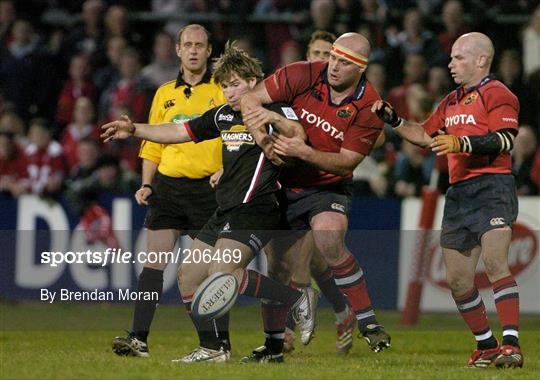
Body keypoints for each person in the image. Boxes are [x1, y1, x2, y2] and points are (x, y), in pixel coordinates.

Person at [102, 42, 315, 364]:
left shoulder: (278, 109)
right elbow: (178, 131)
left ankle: (297, 298)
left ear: (254, 82)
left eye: (236, 84)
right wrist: (134, 130)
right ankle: (212, 349)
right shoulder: (223, 115)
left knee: (222, 271)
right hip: (227, 208)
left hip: (258, 206)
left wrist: (268, 116)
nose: (230, 92)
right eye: (226, 85)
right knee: (188, 275)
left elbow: (299, 135)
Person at [372, 32, 523, 368]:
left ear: (482, 59)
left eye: (458, 58)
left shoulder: (499, 93)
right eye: (451, 58)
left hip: (493, 186)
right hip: (458, 193)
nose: (451, 64)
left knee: (496, 262)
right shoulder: (451, 100)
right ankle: (486, 345)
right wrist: (394, 120)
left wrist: (462, 145)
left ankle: (511, 345)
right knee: (457, 280)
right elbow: (425, 135)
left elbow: (505, 140)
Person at [241, 32, 391, 354]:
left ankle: (368, 322)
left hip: (326, 185)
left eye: (344, 62)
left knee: (328, 237)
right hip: (282, 180)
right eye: (333, 57)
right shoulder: (301, 73)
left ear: (361, 69)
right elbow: (250, 99)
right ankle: (275, 343)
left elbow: (346, 163)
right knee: (279, 266)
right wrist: (263, 139)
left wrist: (302, 150)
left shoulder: (369, 106)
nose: (334, 66)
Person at [110, 24, 226, 358]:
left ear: (208, 51)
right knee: (153, 264)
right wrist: (147, 183)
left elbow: (233, 137)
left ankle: (221, 342)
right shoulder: (163, 93)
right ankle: (139, 338)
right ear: (177, 50)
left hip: (208, 189)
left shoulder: (220, 90)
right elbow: (152, 144)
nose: (192, 50)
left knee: (213, 271)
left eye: (199, 45)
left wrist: (225, 170)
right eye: (187, 44)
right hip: (169, 188)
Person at [281, 29, 356, 355]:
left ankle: (283, 332)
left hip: (324, 190)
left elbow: (374, 137)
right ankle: (343, 310)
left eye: (330, 55)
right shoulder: (296, 89)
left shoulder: (350, 99)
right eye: (318, 53)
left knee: (301, 259)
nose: (323, 61)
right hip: (289, 185)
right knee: (312, 264)